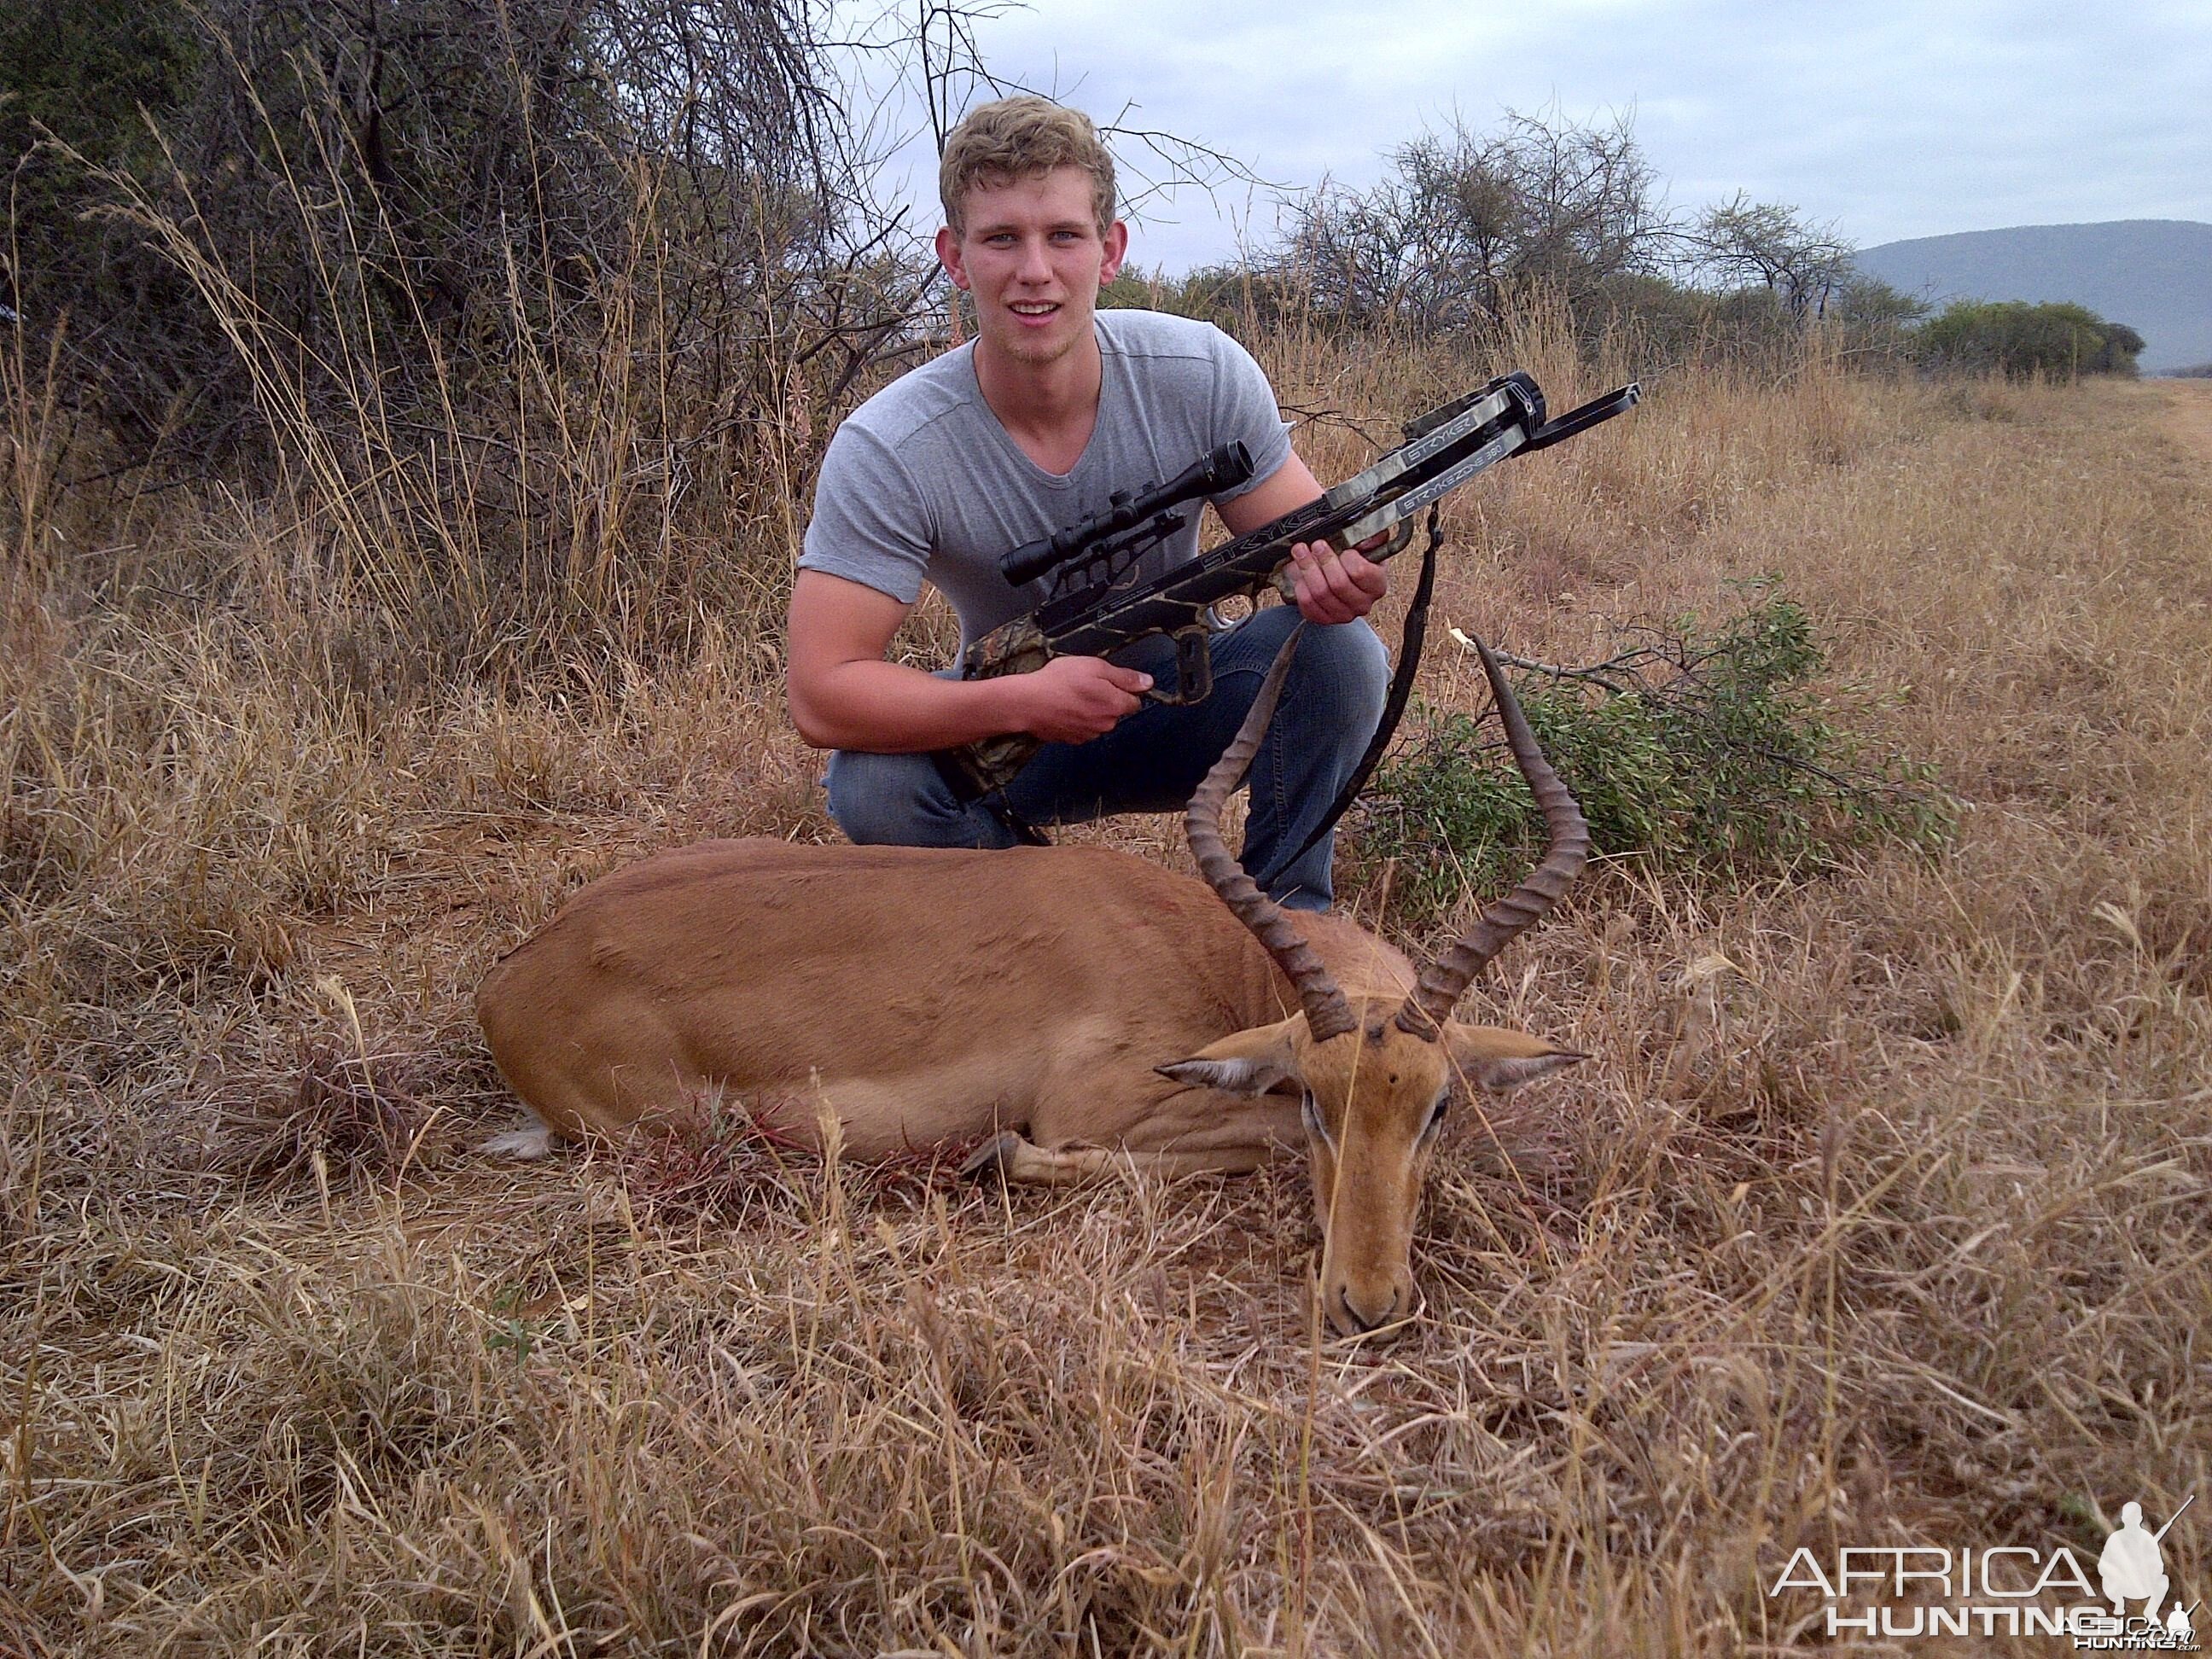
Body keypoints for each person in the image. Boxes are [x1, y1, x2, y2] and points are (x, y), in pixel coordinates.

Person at [785, 96, 1390, 911]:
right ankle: (1038, 932)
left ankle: (1293, 934)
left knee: (1343, 653)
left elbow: (1311, 545)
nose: (1035, 269)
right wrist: (1020, 699)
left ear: (1109, 251)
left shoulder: (1202, 370)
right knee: (872, 784)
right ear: (954, 258)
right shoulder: (890, 445)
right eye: (1002, 238)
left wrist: (1334, 582)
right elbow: (822, 691)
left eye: (1063, 236)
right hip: (1020, 736)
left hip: (1188, 698)